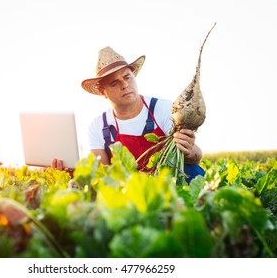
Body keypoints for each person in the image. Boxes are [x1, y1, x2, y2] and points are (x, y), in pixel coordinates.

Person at [53, 46, 204, 182]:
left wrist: (190, 150)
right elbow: (101, 175)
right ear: (102, 91)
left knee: (192, 171)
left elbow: (196, 156)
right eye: (114, 83)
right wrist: (70, 172)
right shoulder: (98, 126)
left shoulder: (163, 108)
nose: (125, 85)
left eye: (127, 77)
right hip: (127, 193)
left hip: (165, 186)